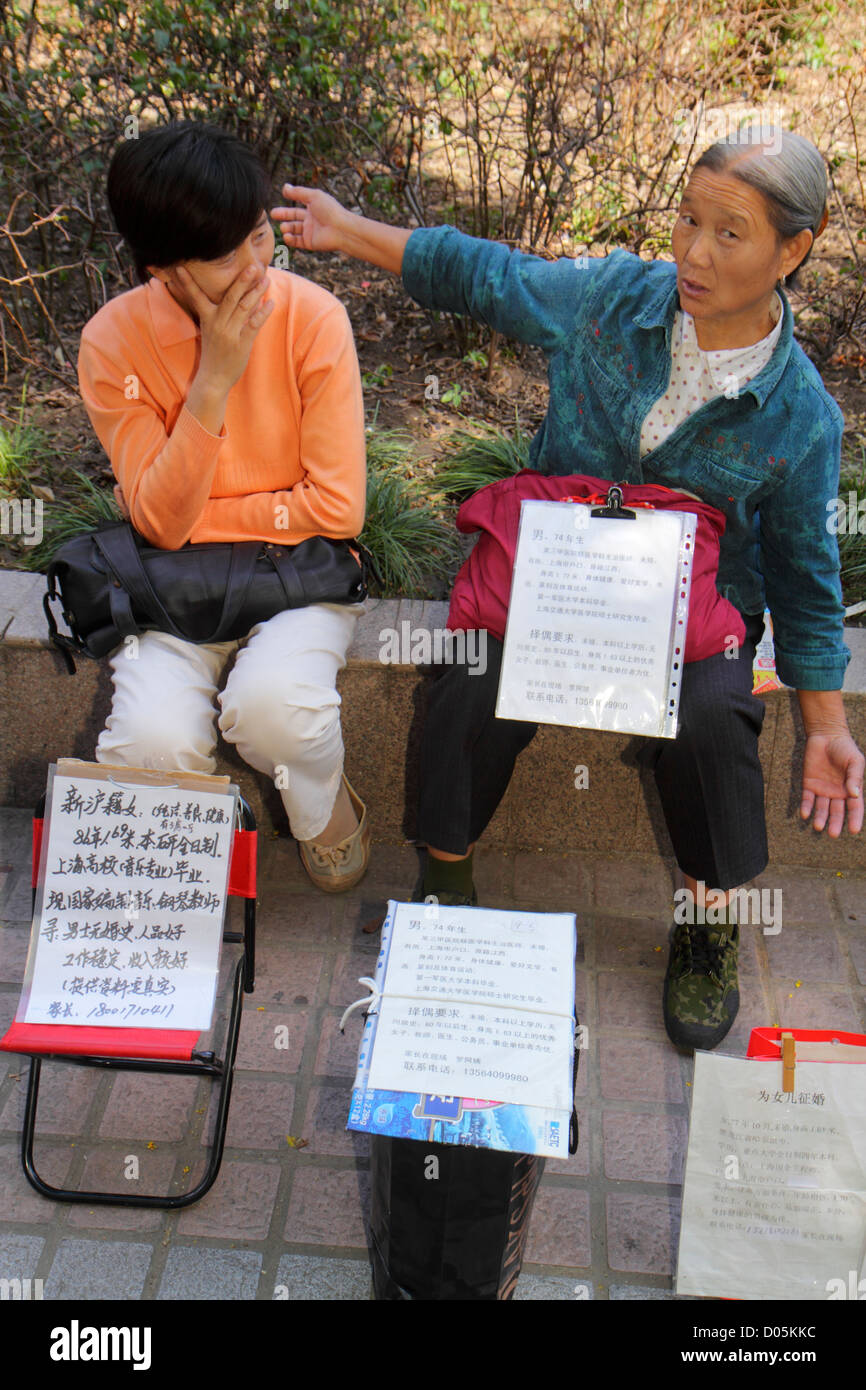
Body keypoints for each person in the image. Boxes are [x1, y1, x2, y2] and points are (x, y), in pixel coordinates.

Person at [272, 127, 865, 1047]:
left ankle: (708, 919)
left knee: (715, 715)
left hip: (691, 613)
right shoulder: (612, 299)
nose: (694, 253)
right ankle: (447, 880)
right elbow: (488, 276)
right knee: (469, 677)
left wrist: (827, 728)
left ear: (797, 246)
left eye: (730, 233)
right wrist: (350, 231)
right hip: (552, 579)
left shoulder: (801, 417)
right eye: (687, 218)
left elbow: (805, 580)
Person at [77, 122, 371, 893]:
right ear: (163, 270)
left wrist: (187, 521)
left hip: (297, 576)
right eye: (223, 256)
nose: (254, 270)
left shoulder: (312, 319)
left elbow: (337, 510)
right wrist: (212, 381)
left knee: (276, 707)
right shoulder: (113, 345)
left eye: (257, 237)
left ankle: (324, 809)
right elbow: (161, 527)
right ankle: (169, 901)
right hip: (178, 590)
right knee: (149, 741)